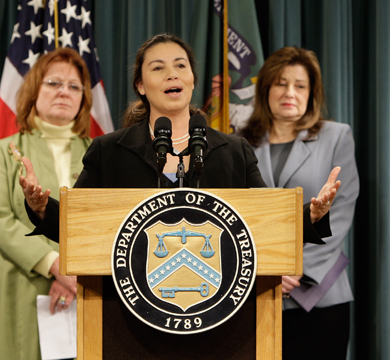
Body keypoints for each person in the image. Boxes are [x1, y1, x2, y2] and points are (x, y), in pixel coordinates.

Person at [21, 34, 340, 242]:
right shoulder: (108, 152)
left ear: (191, 80)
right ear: (141, 86)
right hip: (130, 323)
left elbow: (267, 223)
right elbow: (75, 225)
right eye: (158, 68)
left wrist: (310, 215)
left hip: (218, 316)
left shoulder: (234, 151)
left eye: (180, 66)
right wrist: (40, 207)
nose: (171, 74)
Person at [240, 47, 359, 360]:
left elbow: (341, 211)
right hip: (254, 295)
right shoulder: (239, 143)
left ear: (312, 92)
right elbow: (237, 217)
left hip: (319, 298)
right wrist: (264, 273)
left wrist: (290, 271)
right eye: (280, 83)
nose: (289, 92)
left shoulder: (337, 136)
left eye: (300, 85)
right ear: (265, 88)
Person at [0, 47, 93, 360]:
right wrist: (54, 265)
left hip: (88, 290)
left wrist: (73, 275)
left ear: (84, 97)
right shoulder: (4, 151)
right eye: (53, 83)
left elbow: (104, 223)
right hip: (21, 288)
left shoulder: (100, 152)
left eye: (73, 86)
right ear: (34, 90)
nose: (64, 92)